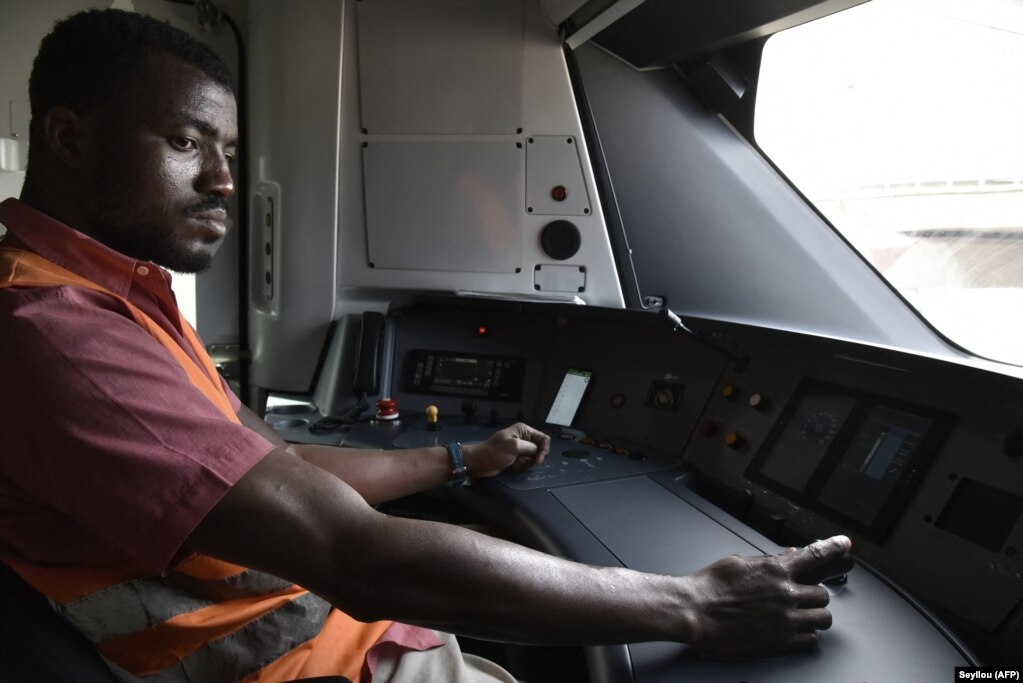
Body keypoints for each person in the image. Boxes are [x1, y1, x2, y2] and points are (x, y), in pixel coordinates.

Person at [0, 8, 853, 683]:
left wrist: (458, 458)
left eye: (226, 149)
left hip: (348, 640)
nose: (223, 178)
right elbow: (352, 552)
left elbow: (277, 463)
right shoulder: (52, 332)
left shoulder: (112, 294)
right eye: (186, 143)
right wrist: (693, 602)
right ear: (70, 138)